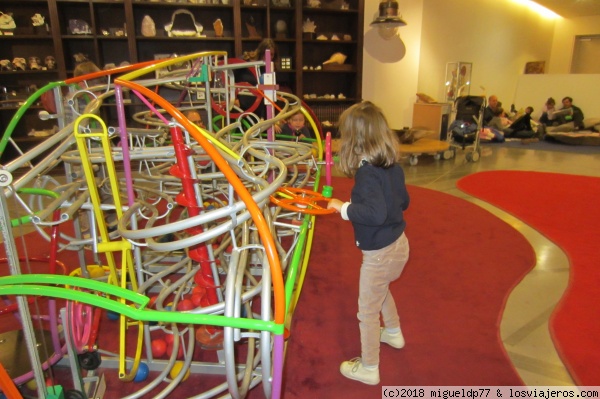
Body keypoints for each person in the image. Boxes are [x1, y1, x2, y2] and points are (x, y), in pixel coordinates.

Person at [326, 101, 410, 386]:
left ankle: (370, 368)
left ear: (354, 140)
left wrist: (344, 208)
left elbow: (375, 214)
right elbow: (403, 202)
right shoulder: (391, 167)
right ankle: (395, 333)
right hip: (399, 245)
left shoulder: (366, 174)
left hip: (379, 254)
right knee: (381, 289)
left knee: (366, 311)